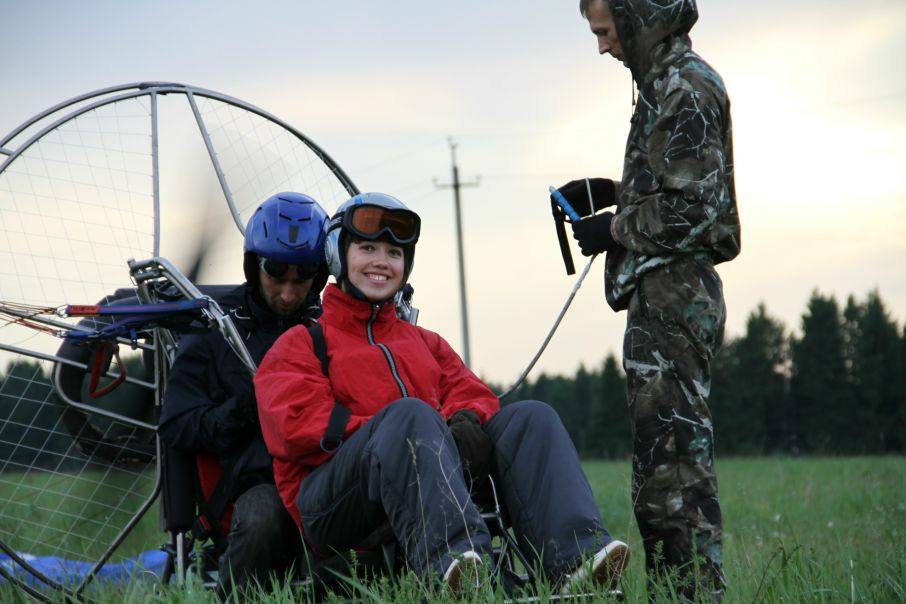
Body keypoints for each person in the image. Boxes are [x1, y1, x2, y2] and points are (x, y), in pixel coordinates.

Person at [254, 192, 630, 594]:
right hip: (335, 507)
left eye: (394, 253)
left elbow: (472, 393)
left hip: (431, 482)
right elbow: (293, 426)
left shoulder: (426, 342)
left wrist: (461, 421)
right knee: (410, 417)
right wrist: (407, 431)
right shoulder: (303, 344)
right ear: (335, 256)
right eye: (366, 248)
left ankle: (577, 560)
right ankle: (458, 568)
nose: (381, 261)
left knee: (530, 417)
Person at [552, 0, 741, 600]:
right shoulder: (665, 86)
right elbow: (677, 183)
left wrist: (613, 228)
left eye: (605, 31)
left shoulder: (685, 86)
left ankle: (688, 595)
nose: (602, 47)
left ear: (635, 16)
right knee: (659, 472)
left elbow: (695, 208)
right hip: (662, 295)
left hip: (674, 295)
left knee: (674, 475)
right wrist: (612, 190)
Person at [159, 192, 330, 594]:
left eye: (301, 279)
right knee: (263, 514)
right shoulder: (212, 327)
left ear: (320, 275)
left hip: (326, 478)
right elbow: (177, 425)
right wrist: (248, 408)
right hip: (249, 489)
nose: (289, 293)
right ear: (254, 267)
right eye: (276, 276)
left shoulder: (332, 325)